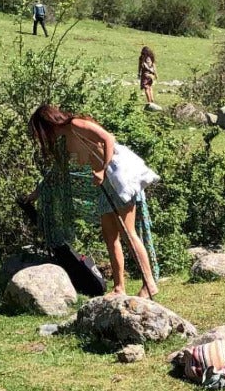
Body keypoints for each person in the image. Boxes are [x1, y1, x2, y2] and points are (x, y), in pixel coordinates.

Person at [29, 105, 160, 298]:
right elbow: (57, 172)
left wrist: (102, 169)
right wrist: (34, 194)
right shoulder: (65, 138)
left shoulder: (76, 124)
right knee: (110, 238)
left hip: (117, 179)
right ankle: (119, 288)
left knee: (128, 233)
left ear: (48, 124)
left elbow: (108, 138)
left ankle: (149, 284)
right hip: (105, 186)